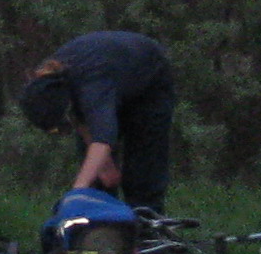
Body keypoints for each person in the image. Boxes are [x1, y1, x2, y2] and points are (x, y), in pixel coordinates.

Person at [17, 30, 174, 215]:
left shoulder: (92, 87)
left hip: (148, 79)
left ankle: (147, 221)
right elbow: (78, 118)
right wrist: (105, 166)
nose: (61, 132)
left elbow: (102, 140)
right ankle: (100, 224)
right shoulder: (54, 82)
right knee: (96, 176)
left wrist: (76, 193)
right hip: (111, 73)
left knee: (142, 170)